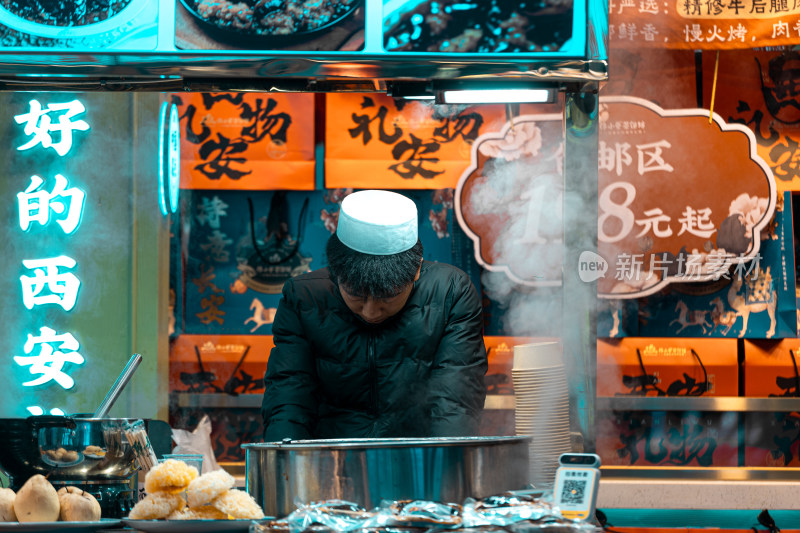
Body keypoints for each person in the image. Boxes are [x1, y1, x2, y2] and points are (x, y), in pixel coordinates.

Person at [261, 189, 487, 440]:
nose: (370, 312)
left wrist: (447, 471)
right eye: (356, 296)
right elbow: (289, 395)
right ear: (336, 273)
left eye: (388, 298)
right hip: (329, 461)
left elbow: (455, 401)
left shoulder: (450, 293)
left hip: (419, 459)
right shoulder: (303, 297)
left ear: (415, 272)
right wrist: (285, 469)